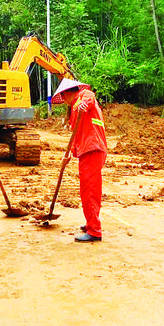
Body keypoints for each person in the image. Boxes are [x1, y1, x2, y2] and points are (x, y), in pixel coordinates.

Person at [52, 78, 107, 243]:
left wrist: (83, 104)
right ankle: (91, 222)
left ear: (66, 94)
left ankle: (94, 231)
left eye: (64, 99)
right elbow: (76, 135)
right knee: (89, 190)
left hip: (92, 148)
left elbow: (89, 98)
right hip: (88, 149)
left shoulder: (83, 96)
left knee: (89, 191)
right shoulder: (74, 111)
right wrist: (68, 154)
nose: (64, 102)